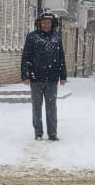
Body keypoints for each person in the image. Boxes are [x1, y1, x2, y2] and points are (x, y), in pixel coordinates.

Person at [20, 9, 67, 141]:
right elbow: (26, 57)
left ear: (53, 24)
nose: (46, 25)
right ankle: (38, 133)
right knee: (37, 107)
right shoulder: (32, 37)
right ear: (39, 23)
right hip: (36, 79)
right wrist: (25, 75)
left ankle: (52, 133)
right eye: (44, 23)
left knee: (51, 108)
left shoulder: (57, 37)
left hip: (52, 79)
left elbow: (61, 57)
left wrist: (63, 76)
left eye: (48, 23)